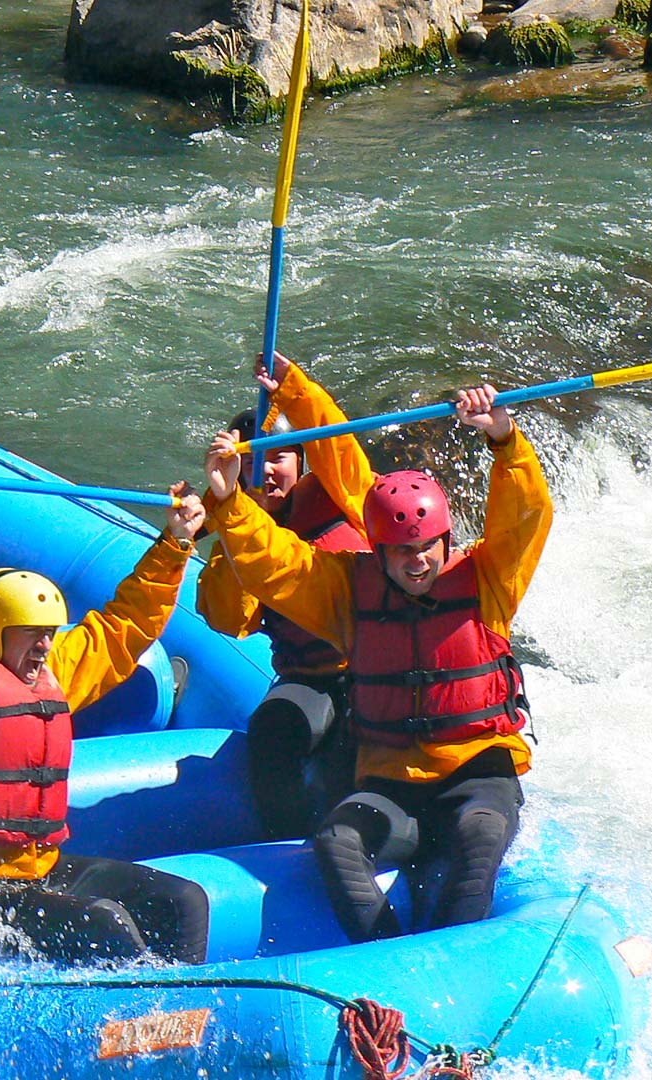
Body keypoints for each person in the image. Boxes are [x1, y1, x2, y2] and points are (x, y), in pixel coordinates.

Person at [202, 384, 550, 943]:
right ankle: (386, 959)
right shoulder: (347, 592)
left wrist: (504, 441)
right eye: (402, 551)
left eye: (427, 548)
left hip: (477, 772)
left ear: (445, 539)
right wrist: (230, 505)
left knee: (479, 840)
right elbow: (276, 566)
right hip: (395, 781)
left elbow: (525, 517)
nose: (417, 563)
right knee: (337, 840)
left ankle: (447, 962)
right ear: (379, 548)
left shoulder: (488, 580)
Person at [0, 472, 213, 965]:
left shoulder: (53, 672)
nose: (44, 644)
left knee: (184, 902)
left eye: (48, 632)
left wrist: (175, 543)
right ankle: (124, 1029)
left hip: (35, 868)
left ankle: (177, 1019)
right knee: (108, 924)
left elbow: (122, 628)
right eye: (29, 633)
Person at [196, 355, 374, 839]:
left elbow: (336, 440)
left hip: (374, 672)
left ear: (300, 461)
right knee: (273, 731)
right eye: (251, 463)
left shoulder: (342, 495)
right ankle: (283, 845)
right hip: (308, 678)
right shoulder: (238, 529)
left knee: (354, 762)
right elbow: (228, 618)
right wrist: (230, 506)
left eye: (276, 457)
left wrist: (292, 389)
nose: (265, 473)